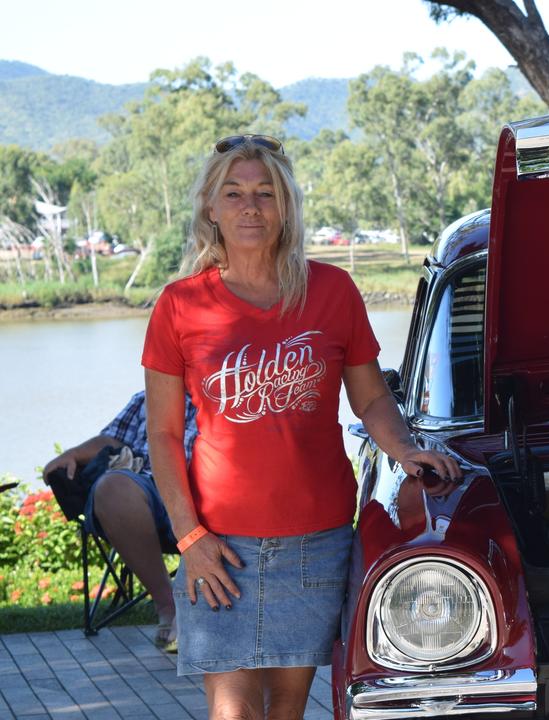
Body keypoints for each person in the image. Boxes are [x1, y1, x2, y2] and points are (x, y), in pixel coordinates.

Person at [142, 134, 461, 720]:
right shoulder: (179, 305)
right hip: (219, 545)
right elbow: (162, 434)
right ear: (211, 207)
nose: (250, 206)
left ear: (285, 205)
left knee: (287, 708)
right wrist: (189, 538)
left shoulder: (332, 291)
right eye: (233, 193)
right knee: (234, 710)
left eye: (266, 193)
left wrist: (405, 450)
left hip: (317, 538)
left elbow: (369, 397)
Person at [42, 390, 197, 652]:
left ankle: (197, 610)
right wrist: (73, 454)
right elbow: (113, 439)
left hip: (208, 488)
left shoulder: (242, 388)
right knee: (113, 487)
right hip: (148, 486)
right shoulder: (153, 393)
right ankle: (168, 605)